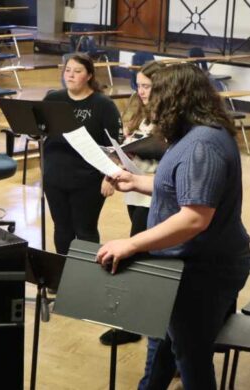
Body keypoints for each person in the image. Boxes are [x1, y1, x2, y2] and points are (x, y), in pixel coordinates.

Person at [97, 63, 250, 390]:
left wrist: (132, 244)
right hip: (187, 262)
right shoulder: (196, 134)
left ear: (178, 98)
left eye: (156, 95)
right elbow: (181, 185)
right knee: (166, 346)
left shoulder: (202, 145)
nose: (149, 103)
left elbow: (194, 217)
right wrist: (137, 181)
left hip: (203, 268)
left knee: (190, 359)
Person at [100, 61, 166, 348]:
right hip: (135, 194)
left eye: (147, 86)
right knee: (140, 255)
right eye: (138, 85)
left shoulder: (172, 116)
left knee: (144, 259)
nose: (141, 91)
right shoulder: (139, 112)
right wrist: (112, 168)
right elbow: (127, 148)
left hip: (159, 195)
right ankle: (139, 322)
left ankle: (139, 324)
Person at [43, 53, 122, 255]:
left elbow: (114, 147)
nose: (70, 75)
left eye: (77, 71)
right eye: (67, 70)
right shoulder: (53, 99)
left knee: (85, 230)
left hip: (89, 179)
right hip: (55, 176)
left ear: (89, 75)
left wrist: (110, 176)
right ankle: (61, 277)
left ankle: (85, 280)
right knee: (62, 229)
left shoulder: (104, 105)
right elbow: (41, 130)